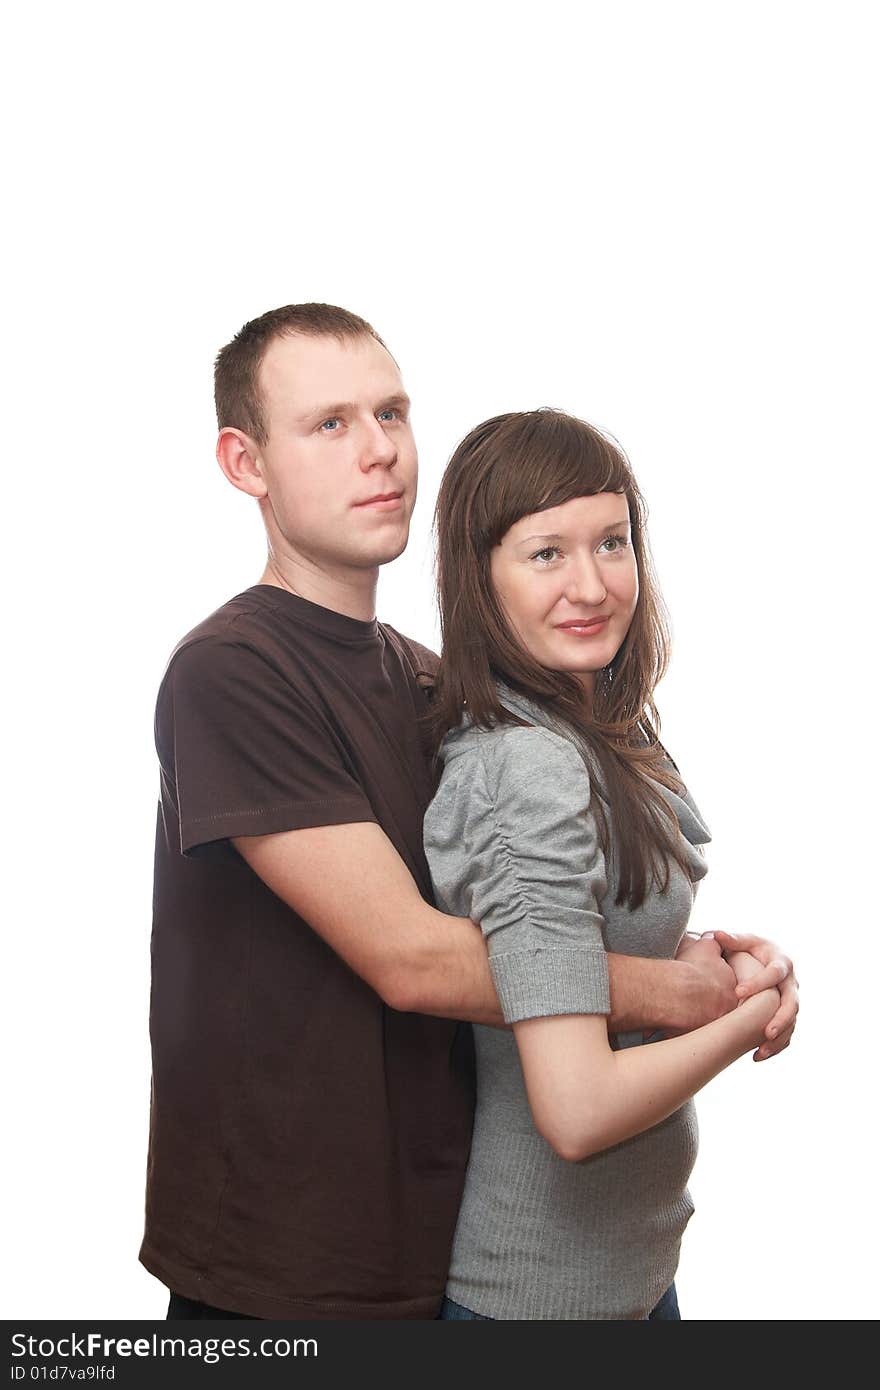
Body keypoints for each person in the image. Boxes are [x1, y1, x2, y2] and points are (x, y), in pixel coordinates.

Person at [140, 305, 798, 1321]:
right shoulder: (234, 671)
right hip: (284, 1268)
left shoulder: (424, 680)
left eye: (391, 412)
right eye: (329, 424)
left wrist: (695, 945)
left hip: (437, 1239)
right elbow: (411, 958)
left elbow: (525, 908)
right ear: (245, 461)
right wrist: (678, 994)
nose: (380, 451)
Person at [423, 408, 794, 1320]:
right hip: (540, 1304)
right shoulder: (529, 768)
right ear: (482, 578)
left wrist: (698, 963)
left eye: (613, 543)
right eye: (546, 553)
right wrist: (746, 1019)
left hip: (627, 1274)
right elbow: (577, 1108)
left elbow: (570, 951)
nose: (591, 586)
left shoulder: (592, 726)